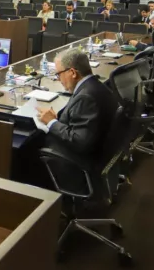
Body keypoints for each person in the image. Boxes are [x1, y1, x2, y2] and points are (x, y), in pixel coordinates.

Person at [30, 49, 119, 184]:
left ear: (72, 73)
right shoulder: (95, 86)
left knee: (27, 147)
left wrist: (52, 123)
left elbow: (79, 142)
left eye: (58, 74)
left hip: (83, 161)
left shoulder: (86, 97)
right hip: (100, 151)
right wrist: (57, 120)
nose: (58, 79)